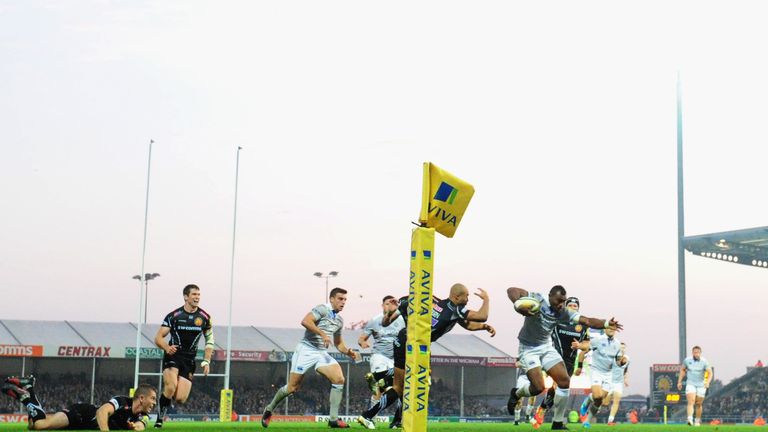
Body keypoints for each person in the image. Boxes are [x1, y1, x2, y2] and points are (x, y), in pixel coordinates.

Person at [357, 283, 496, 430]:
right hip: (413, 345)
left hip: (402, 339)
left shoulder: (435, 302)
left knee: (400, 385)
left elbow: (468, 325)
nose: (468, 298)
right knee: (403, 386)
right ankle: (376, 411)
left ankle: (374, 396)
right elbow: (482, 316)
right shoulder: (456, 309)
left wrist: (484, 328)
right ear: (456, 297)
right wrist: (486, 299)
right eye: (466, 296)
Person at [507, 285, 622, 431]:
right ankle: (516, 393)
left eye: (563, 301)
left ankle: (557, 422)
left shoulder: (564, 313)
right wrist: (518, 304)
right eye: (558, 301)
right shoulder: (538, 299)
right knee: (538, 387)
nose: (561, 304)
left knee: (564, 381)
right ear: (550, 296)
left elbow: (587, 321)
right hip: (528, 348)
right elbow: (511, 290)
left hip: (546, 347)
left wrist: (606, 323)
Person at [262, 287, 360, 428]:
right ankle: (269, 409)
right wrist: (323, 334)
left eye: (345, 299)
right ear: (331, 299)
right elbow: (306, 321)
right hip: (306, 350)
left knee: (339, 379)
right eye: (340, 299)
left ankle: (333, 420)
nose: (343, 302)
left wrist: (348, 352)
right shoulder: (322, 309)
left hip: (321, 353)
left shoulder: (339, 320)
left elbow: (338, 344)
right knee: (292, 388)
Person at [153, 284, 214, 428]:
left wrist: (206, 360)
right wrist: (167, 348)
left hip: (190, 359)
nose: (197, 297)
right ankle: (159, 419)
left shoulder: (205, 317)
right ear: (186, 297)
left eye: (198, 294)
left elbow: (210, 340)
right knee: (170, 386)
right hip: (173, 355)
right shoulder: (174, 316)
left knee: (180, 399)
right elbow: (158, 338)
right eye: (194, 294)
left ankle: (167, 397)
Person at [2, 376, 156, 431]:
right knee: (40, 426)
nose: (154, 403)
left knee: (31, 425)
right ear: (141, 398)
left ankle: (28, 392)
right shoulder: (122, 401)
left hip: (82, 425)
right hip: (81, 413)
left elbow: (141, 425)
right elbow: (102, 412)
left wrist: (136, 427)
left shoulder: (143, 415)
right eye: (153, 398)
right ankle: (28, 396)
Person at [534, 296, 589, 426]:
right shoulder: (557, 319)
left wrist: (580, 346)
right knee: (556, 386)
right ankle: (549, 415)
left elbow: (587, 344)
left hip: (570, 362)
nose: (573, 308)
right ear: (566, 307)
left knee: (560, 389)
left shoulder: (582, 325)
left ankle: (543, 409)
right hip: (555, 358)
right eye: (570, 305)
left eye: (575, 306)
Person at [358, 295, 406, 411]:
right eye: (387, 304)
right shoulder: (375, 320)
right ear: (382, 306)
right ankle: (372, 418)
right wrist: (363, 343)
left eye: (392, 303)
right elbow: (361, 339)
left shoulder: (402, 320)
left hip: (395, 358)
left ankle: (396, 421)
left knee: (397, 389)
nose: (390, 306)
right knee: (383, 388)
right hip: (379, 356)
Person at [574, 328, 626, 427]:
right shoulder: (597, 340)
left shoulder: (617, 344)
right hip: (596, 371)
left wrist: (622, 362)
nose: (612, 330)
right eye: (610, 327)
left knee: (600, 400)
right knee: (597, 396)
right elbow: (582, 352)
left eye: (613, 328)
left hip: (608, 374)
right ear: (605, 329)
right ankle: (588, 400)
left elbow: (618, 361)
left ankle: (587, 422)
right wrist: (580, 367)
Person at [677, 345, 712, 427]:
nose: (696, 354)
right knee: (691, 401)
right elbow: (682, 370)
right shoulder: (687, 360)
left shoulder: (704, 361)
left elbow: (710, 373)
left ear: (700, 353)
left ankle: (697, 420)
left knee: (699, 403)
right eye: (695, 352)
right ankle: (689, 420)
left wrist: (708, 382)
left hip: (701, 384)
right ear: (692, 352)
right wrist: (679, 382)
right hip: (690, 383)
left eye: (698, 352)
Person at [603, 342, 629, 425]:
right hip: (610, 382)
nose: (622, 349)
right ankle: (590, 398)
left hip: (618, 383)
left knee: (616, 401)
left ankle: (610, 421)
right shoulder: (612, 357)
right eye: (621, 347)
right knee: (605, 403)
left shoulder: (627, 359)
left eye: (624, 348)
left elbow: (625, 370)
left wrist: (625, 379)